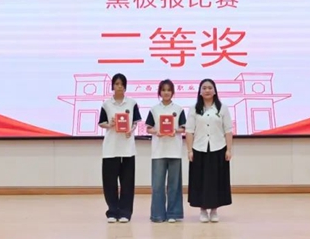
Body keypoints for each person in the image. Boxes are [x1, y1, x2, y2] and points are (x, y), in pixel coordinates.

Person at [185, 78, 233, 223]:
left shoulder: (222, 108)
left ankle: (214, 210)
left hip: (218, 148)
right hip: (199, 148)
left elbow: (228, 130)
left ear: (215, 91)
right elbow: (189, 131)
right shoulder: (194, 109)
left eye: (210, 88)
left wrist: (229, 149)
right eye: (204, 88)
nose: (207, 90)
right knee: (200, 180)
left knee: (216, 181)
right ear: (200, 91)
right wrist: (189, 150)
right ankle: (202, 210)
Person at [98, 73, 141, 223]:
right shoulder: (106, 104)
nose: (119, 87)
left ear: (125, 86)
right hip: (111, 148)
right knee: (110, 182)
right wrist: (109, 124)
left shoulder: (132, 103)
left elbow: (135, 122)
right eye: (117, 84)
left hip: (127, 148)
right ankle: (112, 211)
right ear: (112, 86)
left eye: (122, 84)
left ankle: (125, 213)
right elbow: (101, 123)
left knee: (127, 182)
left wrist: (131, 130)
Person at [145, 79, 186, 223]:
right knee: (157, 185)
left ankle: (173, 214)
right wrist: (156, 132)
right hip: (158, 151)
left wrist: (175, 131)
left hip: (175, 150)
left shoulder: (179, 109)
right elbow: (148, 128)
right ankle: (157, 215)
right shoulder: (154, 109)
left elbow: (184, 128)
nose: (166, 92)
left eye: (169, 90)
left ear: (173, 92)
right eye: (163, 90)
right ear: (159, 92)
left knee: (174, 185)